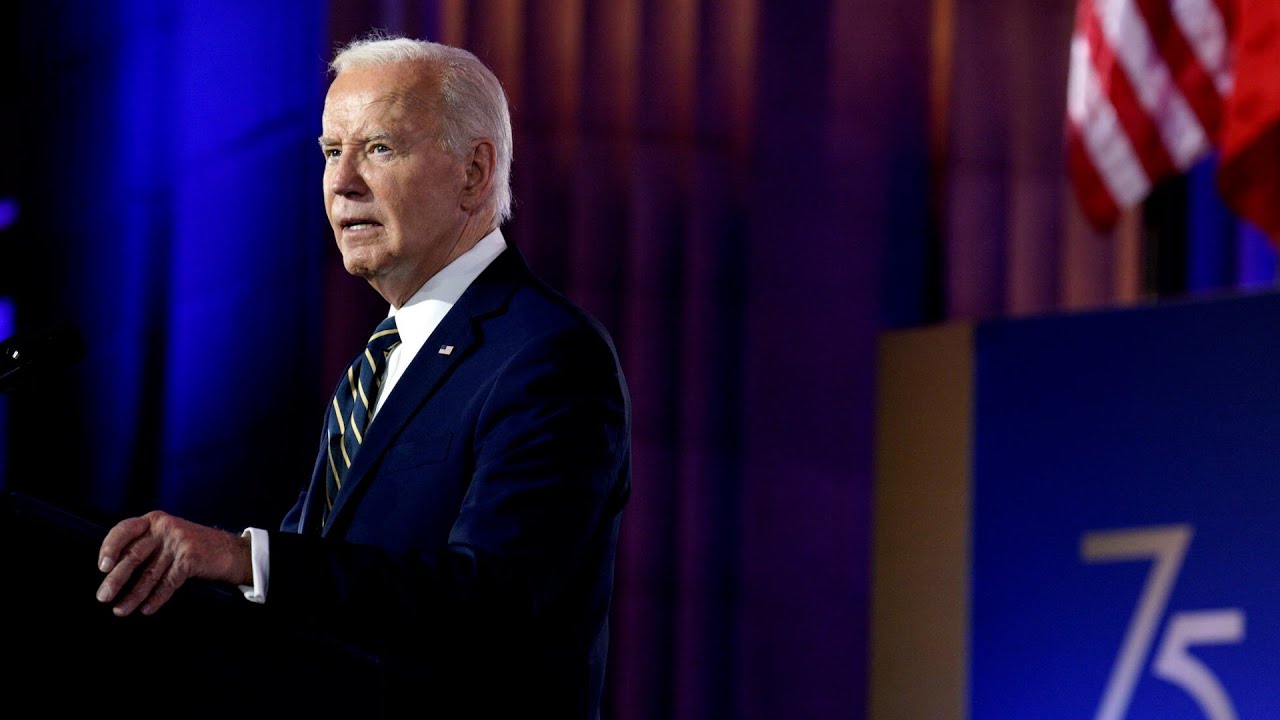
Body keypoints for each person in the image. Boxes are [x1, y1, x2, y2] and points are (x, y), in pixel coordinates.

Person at [93, 33, 631, 718]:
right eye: (329, 152)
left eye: (378, 149)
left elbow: (494, 596)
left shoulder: (546, 355)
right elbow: (315, 594)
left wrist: (246, 560)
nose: (342, 181)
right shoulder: (375, 364)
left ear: (473, 171)